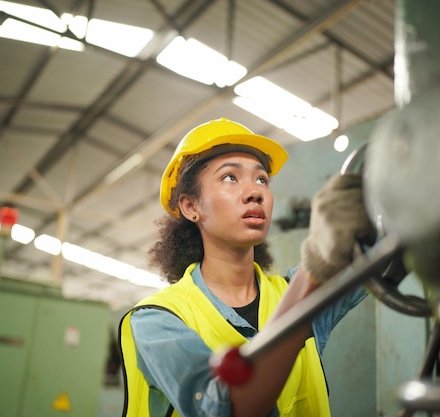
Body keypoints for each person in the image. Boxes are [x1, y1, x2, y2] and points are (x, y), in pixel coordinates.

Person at [118, 117, 376, 417]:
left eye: (262, 179)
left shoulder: (295, 292)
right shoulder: (157, 321)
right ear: (191, 207)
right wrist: (315, 269)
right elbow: (222, 409)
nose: (255, 192)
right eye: (230, 177)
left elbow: (389, 249)